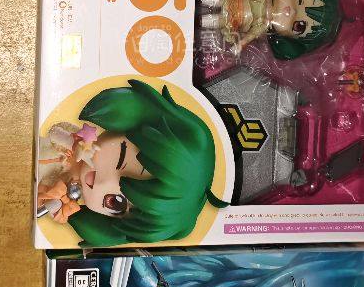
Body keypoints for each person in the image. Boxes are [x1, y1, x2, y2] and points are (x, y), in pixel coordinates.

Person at [36, 80, 226, 245]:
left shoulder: (66, 201)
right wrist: (73, 142)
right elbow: (55, 131)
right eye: (120, 159)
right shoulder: (80, 143)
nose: (102, 184)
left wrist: (51, 203)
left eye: (115, 202)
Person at [198, 0, 343, 60]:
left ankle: (196, 21)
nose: (291, 12)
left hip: (235, 21)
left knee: (216, 21)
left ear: (290, 39)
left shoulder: (263, 26)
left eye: (299, 26)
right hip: (236, 0)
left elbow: (251, 36)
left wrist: (240, 45)